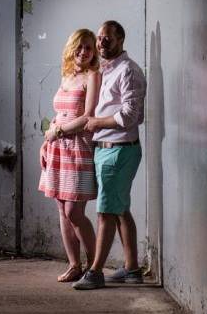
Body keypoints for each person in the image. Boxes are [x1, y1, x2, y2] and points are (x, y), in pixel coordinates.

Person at [72, 20, 146, 290]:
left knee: (105, 212)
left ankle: (95, 272)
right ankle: (132, 269)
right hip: (108, 150)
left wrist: (95, 122)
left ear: (121, 40)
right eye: (100, 37)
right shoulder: (105, 69)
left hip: (119, 151)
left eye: (108, 39)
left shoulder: (128, 70)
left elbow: (131, 115)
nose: (101, 42)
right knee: (121, 210)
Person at [39, 28, 101, 283]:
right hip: (57, 147)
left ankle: (94, 265)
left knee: (75, 211)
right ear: (71, 47)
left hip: (78, 146)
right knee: (62, 211)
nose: (84, 51)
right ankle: (74, 265)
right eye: (80, 46)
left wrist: (59, 131)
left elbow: (88, 117)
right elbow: (59, 114)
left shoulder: (93, 76)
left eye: (89, 47)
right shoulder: (66, 75)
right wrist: (45, 142)